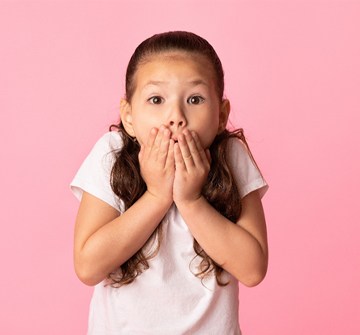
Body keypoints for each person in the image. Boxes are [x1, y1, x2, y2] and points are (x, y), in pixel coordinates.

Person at [71, 31, 269, 334]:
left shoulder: (231, 155)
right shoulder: (111, 152)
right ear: (129, 116)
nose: (175, 116)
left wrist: (191, 201)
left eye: (195, 99)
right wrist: (156, 196)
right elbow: (88, 267)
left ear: (221, 114)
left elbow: (253, 269)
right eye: (156, 99)